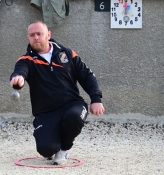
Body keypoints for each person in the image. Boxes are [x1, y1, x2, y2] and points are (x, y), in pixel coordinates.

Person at [10, 20, 105, 165]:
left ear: (48, 34)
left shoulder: (67, 53)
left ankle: (64, 149)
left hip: (72, 105)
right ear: (28, 37)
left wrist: (96, 99)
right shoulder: (26, 60)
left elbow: (87, 76)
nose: (36, 37)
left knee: (74, 117)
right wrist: (18, 79)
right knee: (46, 149)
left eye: (39, 34)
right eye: (32, 35)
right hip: (46, 112)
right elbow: (20, 72)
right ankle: (53, 144)